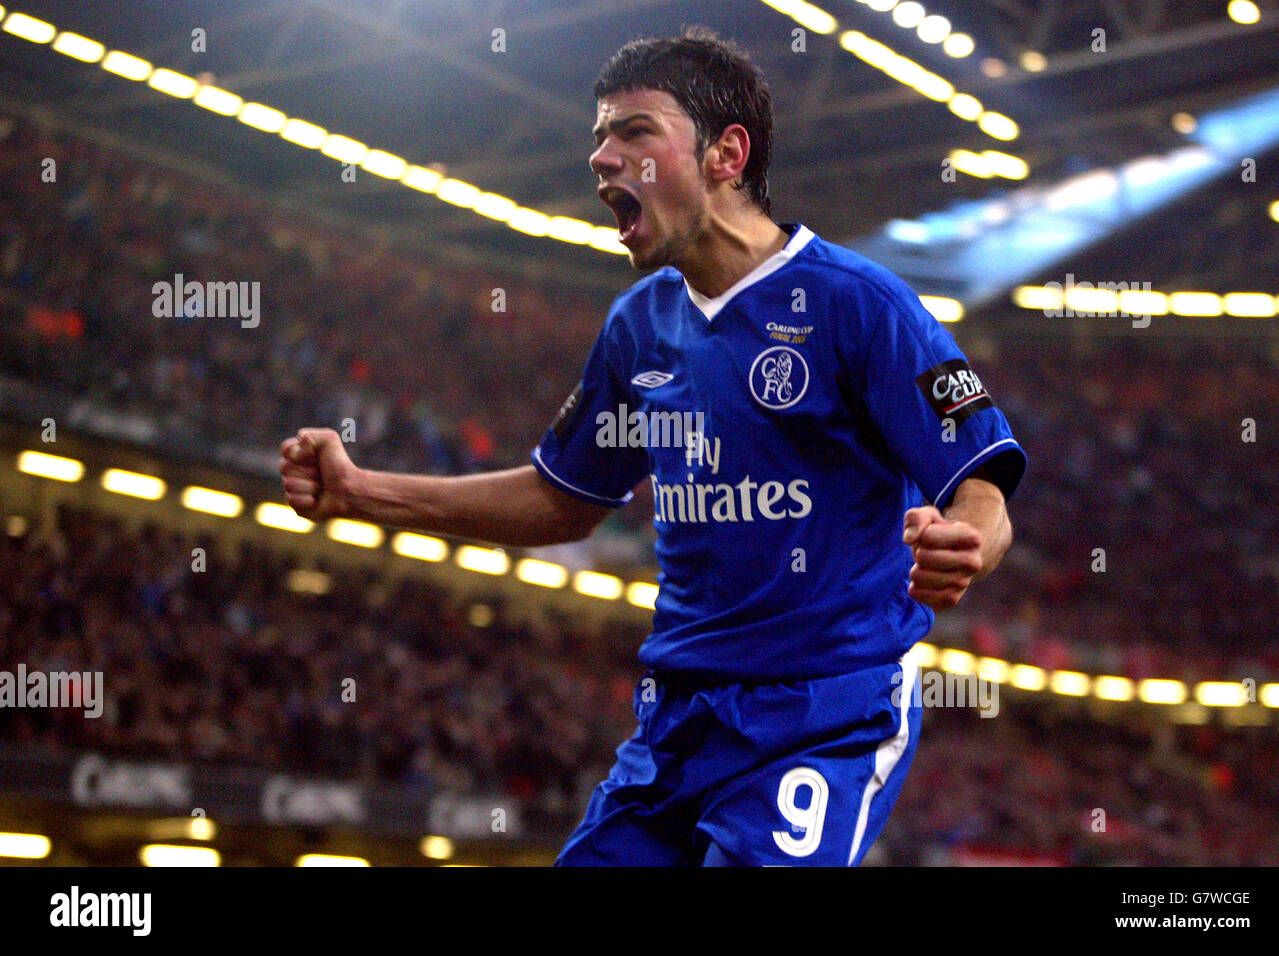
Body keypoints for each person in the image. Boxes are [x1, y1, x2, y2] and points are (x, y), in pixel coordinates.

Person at [279, 27, 1026, 866]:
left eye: (633, 133)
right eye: (598, 137)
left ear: (726, 154)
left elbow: (982, 482)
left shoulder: (859, 305)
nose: (601, 158)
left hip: (825, 714)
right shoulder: (639, 329)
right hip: (676, 723)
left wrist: (971, 542)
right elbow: (563, 498)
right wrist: (359, 492)